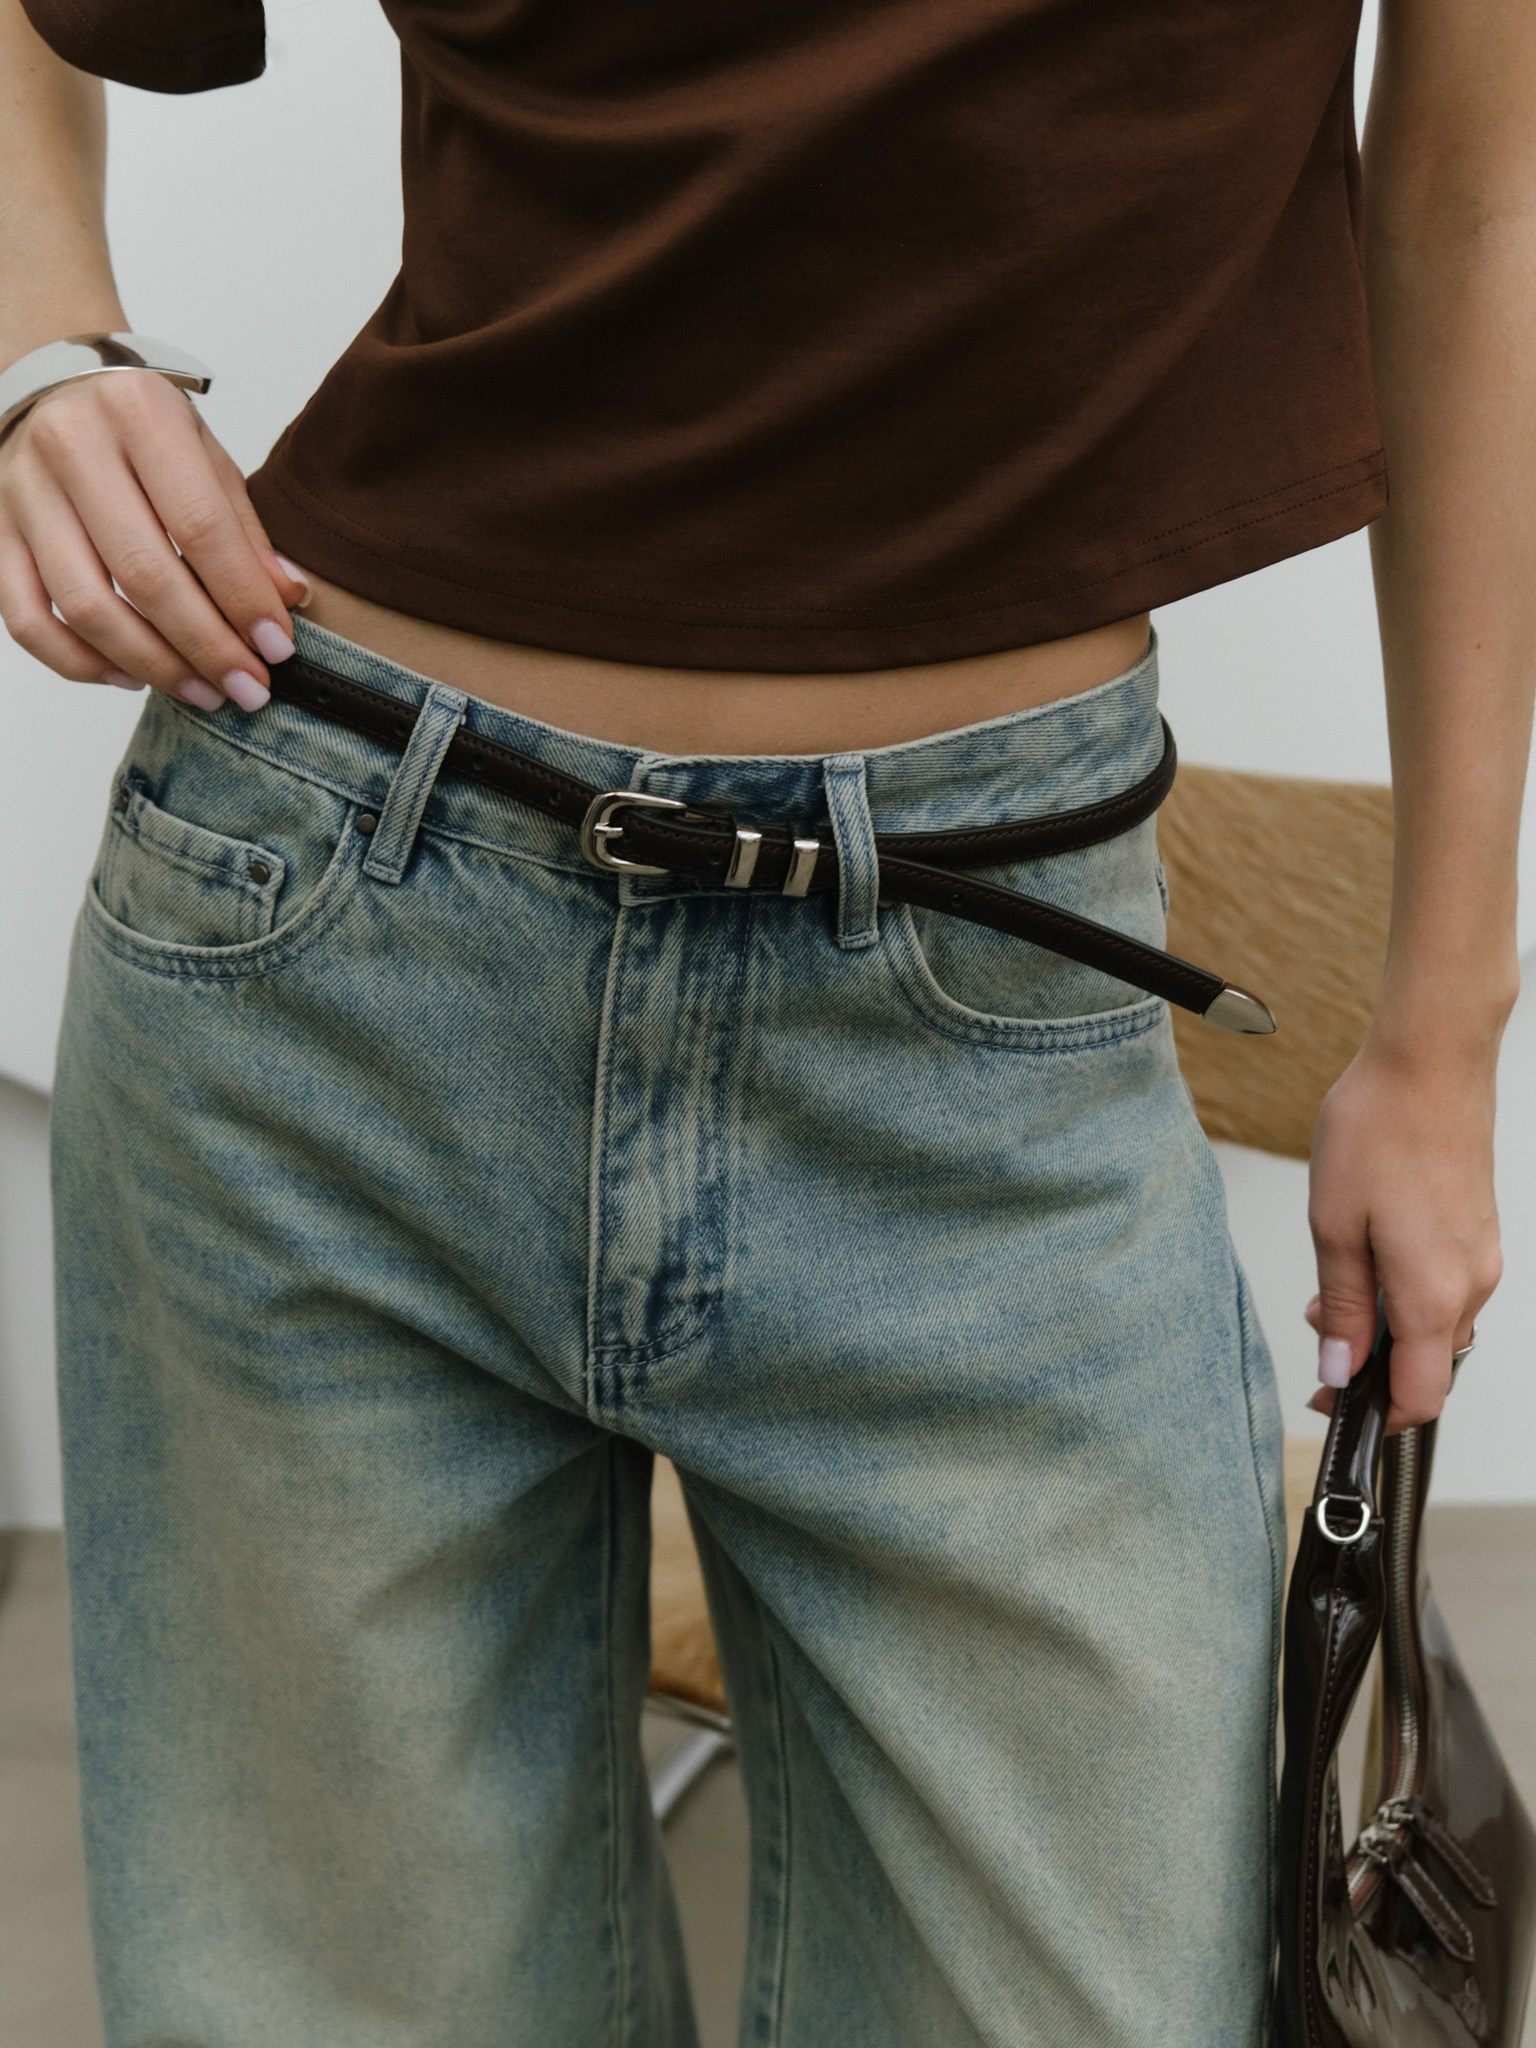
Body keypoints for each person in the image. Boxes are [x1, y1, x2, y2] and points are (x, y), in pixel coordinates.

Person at [0, 0, 1529, 2038]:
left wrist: (1446, 1024)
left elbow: (1469, 191)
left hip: (986, 989)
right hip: (334, 945)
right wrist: (39, 348)